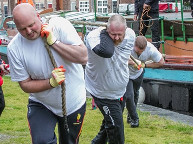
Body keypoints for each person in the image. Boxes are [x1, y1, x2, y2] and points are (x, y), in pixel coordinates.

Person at [7, 3, 87, 144]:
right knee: (42, 141)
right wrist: (50, 83)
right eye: (22, 29)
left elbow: (83, 57)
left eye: (31, 25)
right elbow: (25, 85)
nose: (29, 31)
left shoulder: (59, 25)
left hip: (73, 103)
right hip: (42, 103)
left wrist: (54, 42)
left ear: (38, 16)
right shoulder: (14, 48)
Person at [85, 14, 136, 144]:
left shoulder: (130, 35)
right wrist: (104, 33)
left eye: (120, 34)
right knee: (116, 130)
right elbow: (106, 52)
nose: (117, 38)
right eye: (113, 34)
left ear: (125, 30)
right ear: (107, 29)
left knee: (107, 128)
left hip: (120, 91)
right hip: (103, 92)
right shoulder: (94, 37)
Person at [124, 36, 165, 128]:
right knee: (129, 95)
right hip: (126, 73)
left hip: (138, 73)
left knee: (135, 94)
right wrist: (133, 63)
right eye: (138, 51)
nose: (139, 53)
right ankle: (135, 119)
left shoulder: (151, 49)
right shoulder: (127, 46)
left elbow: (161, 62)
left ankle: (130, 115)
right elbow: (118, 58)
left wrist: (144, 65)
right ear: (134, 45)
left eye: (141, 51)